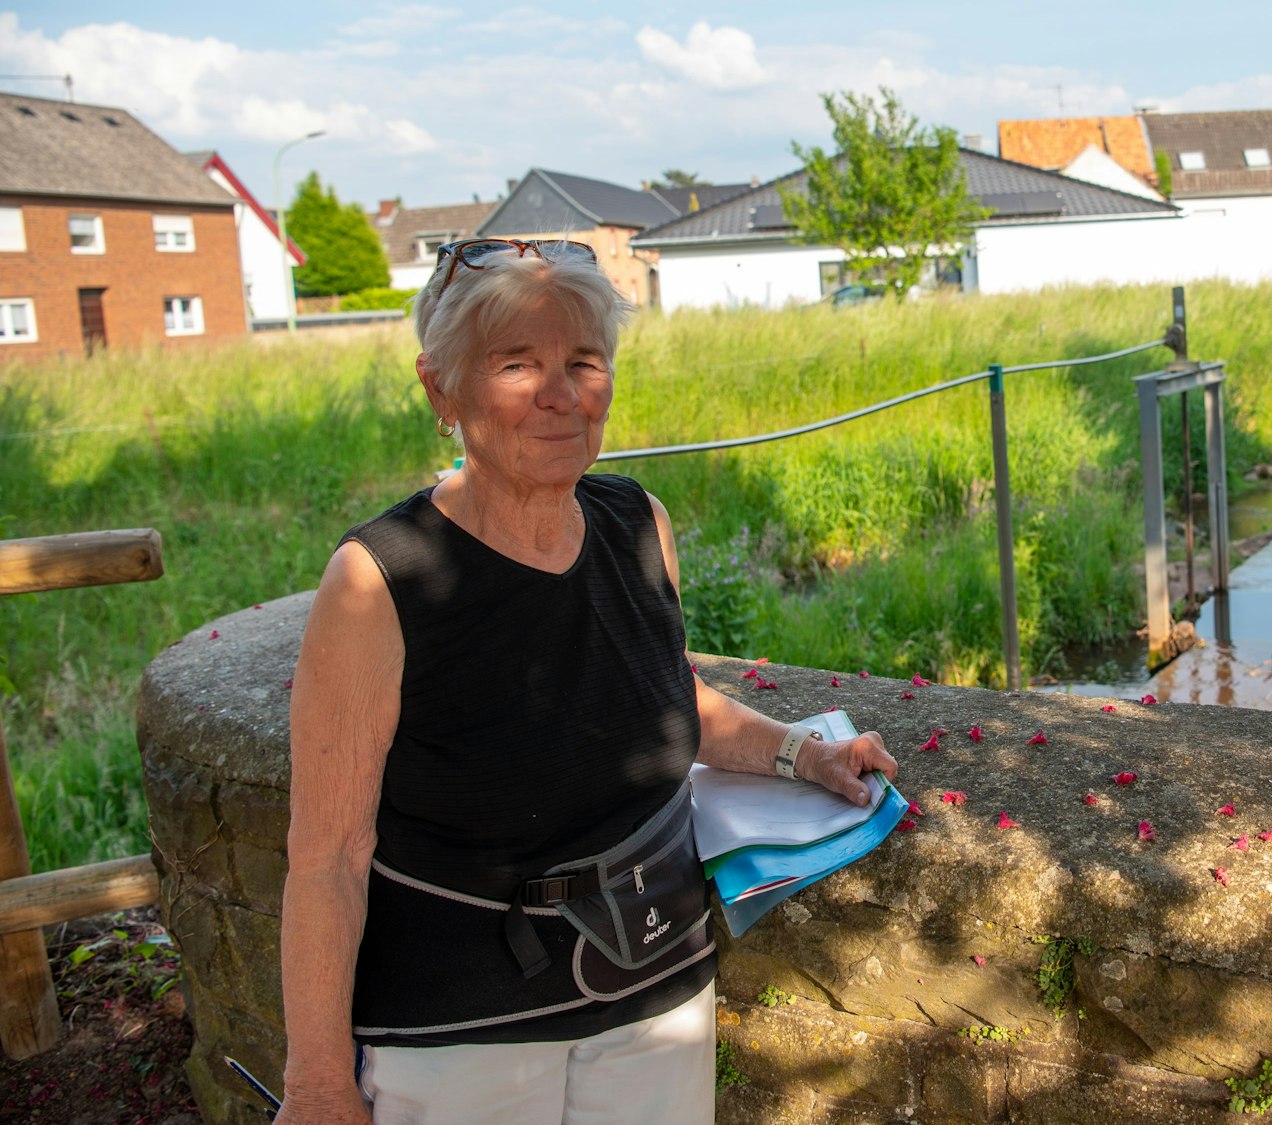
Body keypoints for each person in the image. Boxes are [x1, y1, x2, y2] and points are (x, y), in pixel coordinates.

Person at [276, 238, 898, 1124]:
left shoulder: (635, 522)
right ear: (440, 388)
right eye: (517, 363)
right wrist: (317, 1086)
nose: (560, 394)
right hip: (459, 1031)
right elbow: (327, 857)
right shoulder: (380, 580)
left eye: (582, 361)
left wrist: (804, 754)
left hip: (655, 989)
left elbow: (661, 699)